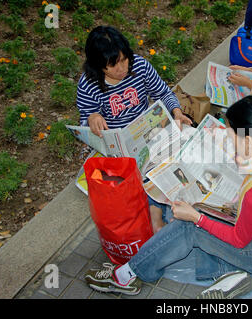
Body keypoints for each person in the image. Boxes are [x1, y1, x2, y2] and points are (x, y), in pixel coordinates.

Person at [84, 95, 252, 298]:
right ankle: (227, 275)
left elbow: (239, 239)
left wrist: (196, 218)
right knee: (202, 210)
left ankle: (125, 276)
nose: (230, 142)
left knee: (189, 227)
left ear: (249, 140)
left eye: (232, 137)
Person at [76, 25, 192, 234]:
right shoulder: (88, 84)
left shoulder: (140, 66)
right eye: (112, 65)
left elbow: (163, 93)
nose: (121, 68)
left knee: (171, 158)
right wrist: (93, 118)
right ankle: (155, 216)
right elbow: (86, 118)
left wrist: (176, 111)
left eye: (124, 60)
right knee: (129, 177)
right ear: (98, 65)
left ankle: (162, 213)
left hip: (146, 131)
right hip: (115, 144)